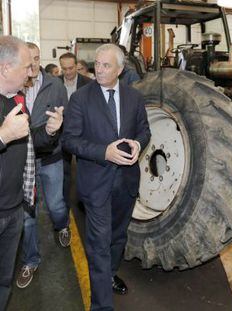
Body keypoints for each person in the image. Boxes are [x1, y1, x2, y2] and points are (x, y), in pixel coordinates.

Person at [62, 43, 150, 311]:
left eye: (106, 65)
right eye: (97, 64)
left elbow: (144, 130)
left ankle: (109, 274)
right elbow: (69, 141)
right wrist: (104, 152)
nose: (98, 69)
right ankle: (101, 306)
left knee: (117, 236)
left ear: (120, 70)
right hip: (96, 183)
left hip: (126, 182)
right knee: (98, 244)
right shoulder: (81, 98)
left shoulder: (135, 97)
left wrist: (138, 143)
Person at [0, 35, 63, 311]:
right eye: (26, 66)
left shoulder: (16, 99)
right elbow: (8, 138)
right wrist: (2, 136)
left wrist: (49, 132)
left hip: (14, 208)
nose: (31, 71)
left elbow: (26, 143)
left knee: (3, 281)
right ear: (5, 68)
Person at [15, 42, 70, 289]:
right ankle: (31, 260)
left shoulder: (55, 85)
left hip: (50, 158)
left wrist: (55, 133)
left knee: (56, 204)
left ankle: (62, 225)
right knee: (28, 214)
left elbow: (62, 118)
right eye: (29, 59)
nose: (34, 63)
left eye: (37, 58)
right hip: (22, 160)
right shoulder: (14, 86)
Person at [59, 52, 92, 207]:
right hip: (61, 134)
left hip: (83, 134)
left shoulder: (88, 83)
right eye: (64, 68)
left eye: (71, 68)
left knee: (85, 170)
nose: (68, 72)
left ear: (76, 65)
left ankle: (83, 202)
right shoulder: (55, 83)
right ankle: (65, 204)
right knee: (64, 172)